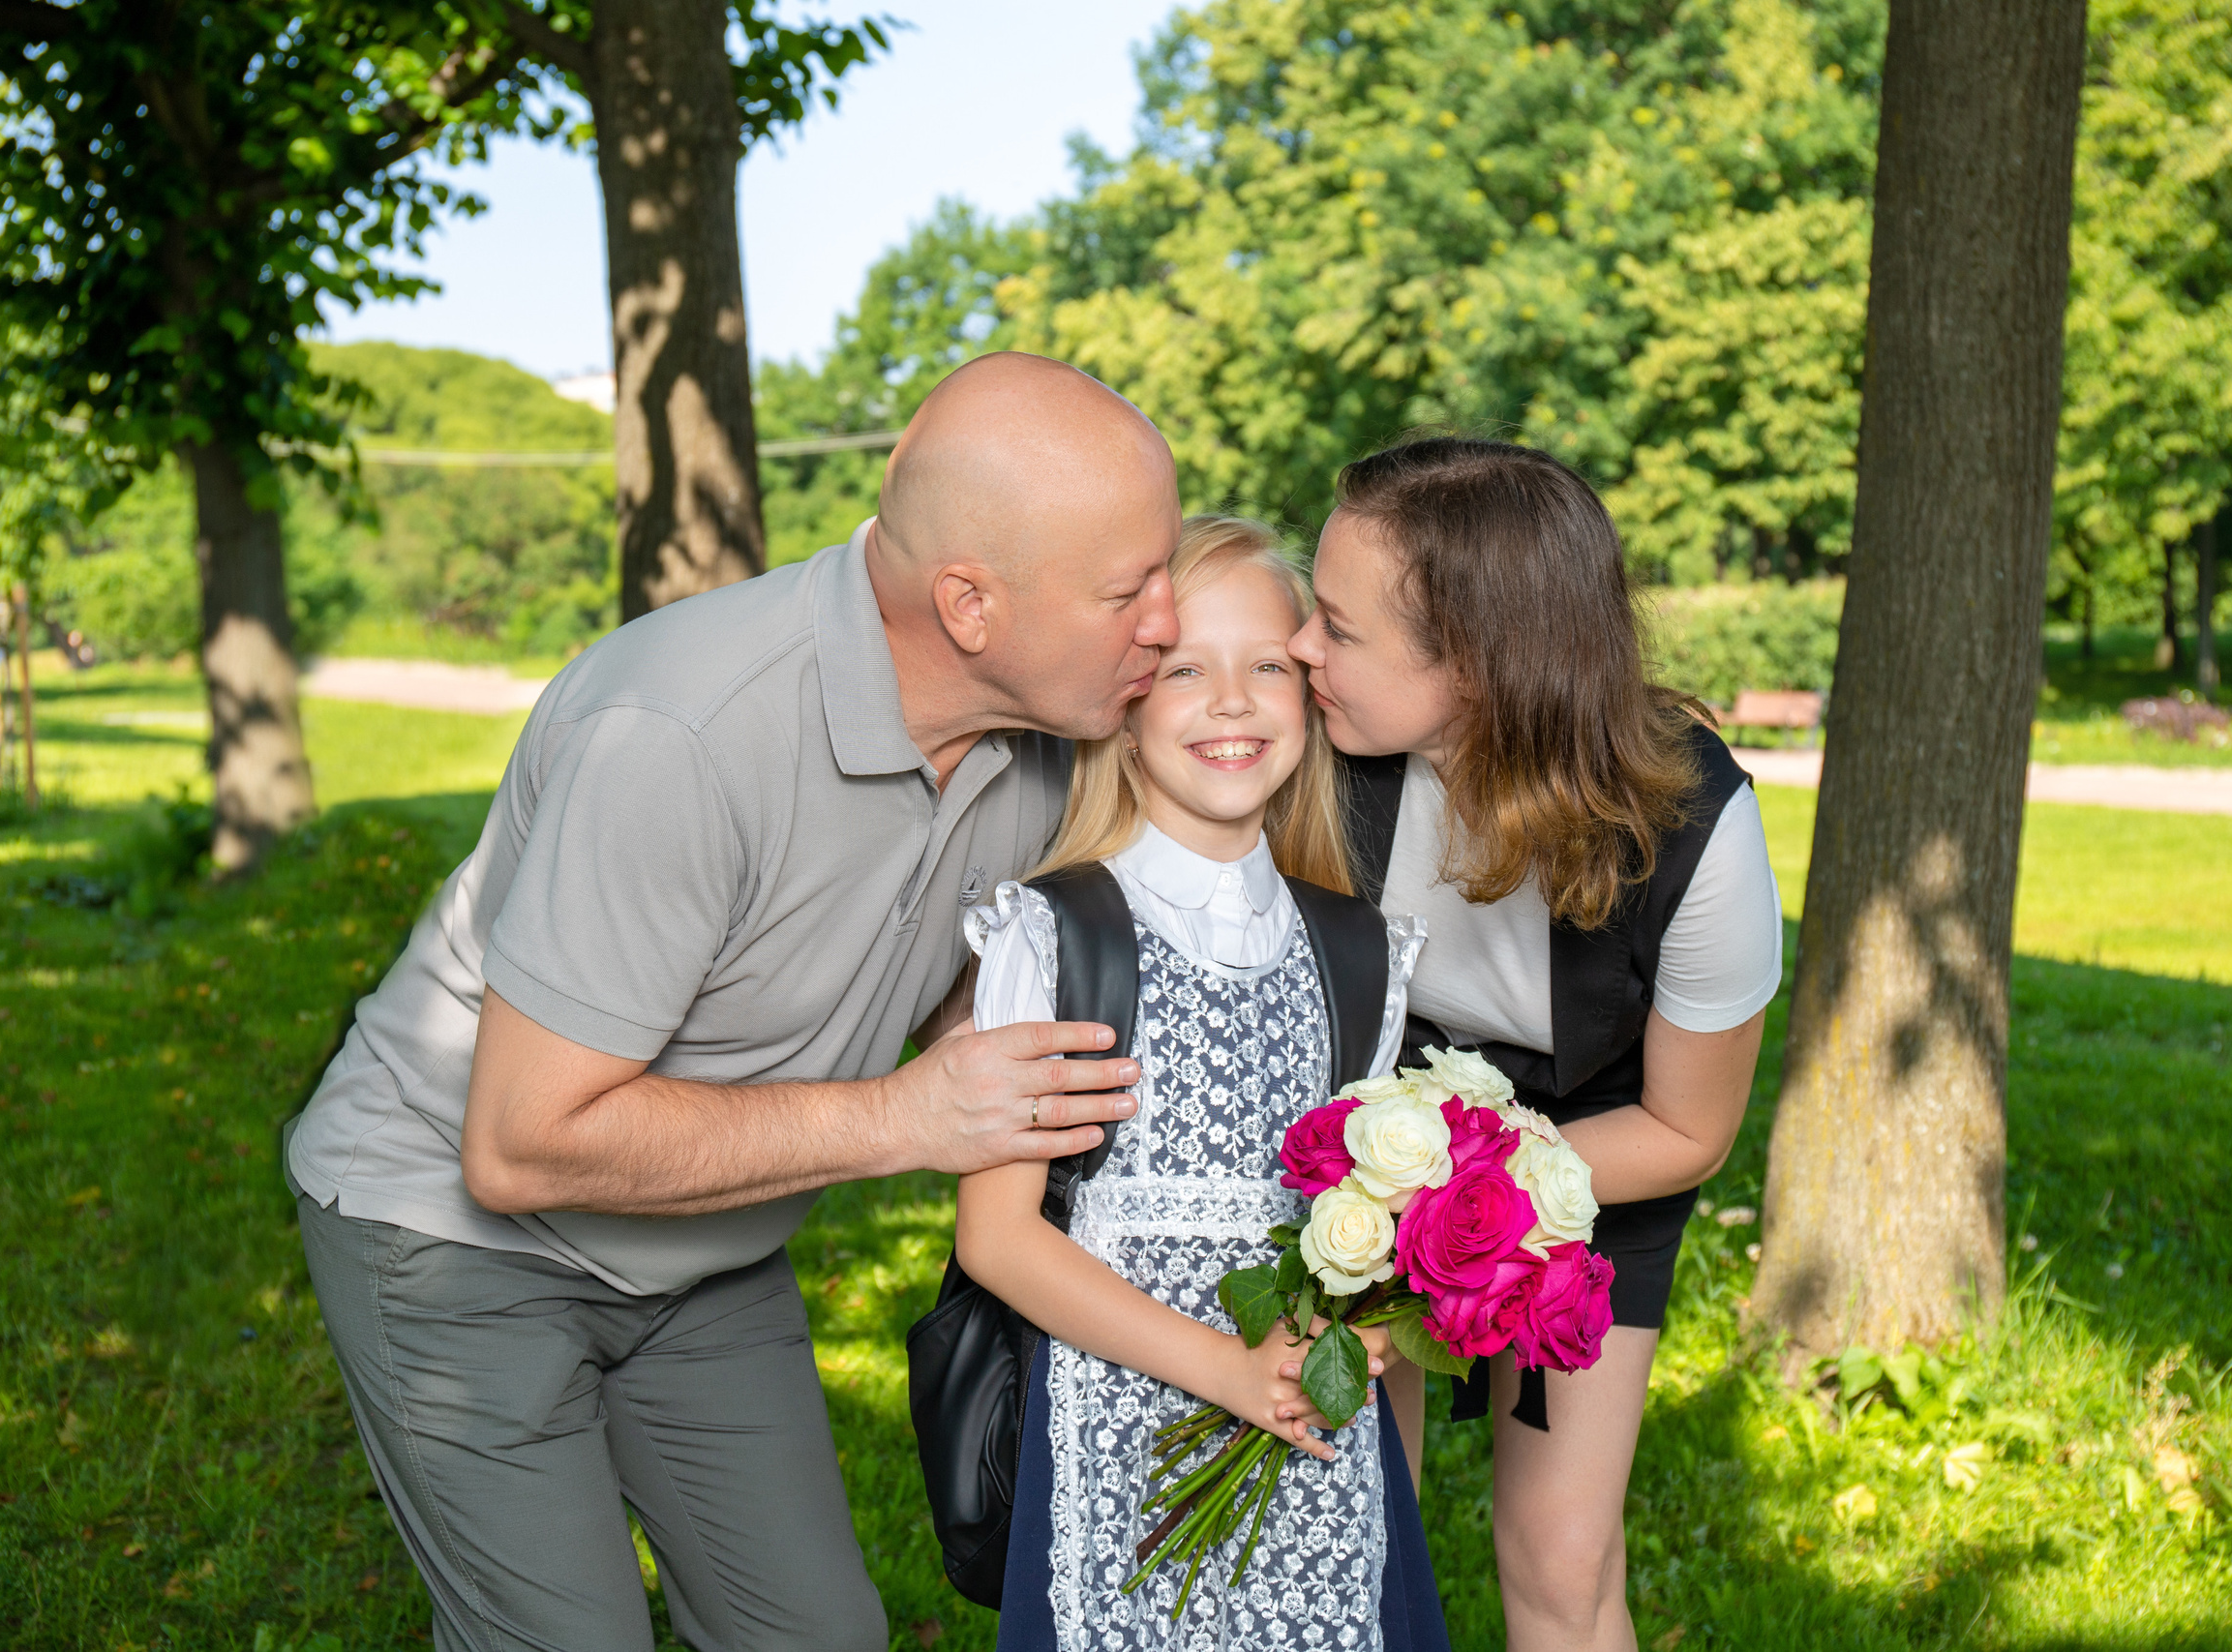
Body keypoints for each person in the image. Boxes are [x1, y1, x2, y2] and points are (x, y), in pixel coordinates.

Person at [283, 352, 1182, 1652]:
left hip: (702, 1247)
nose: (1165, 616)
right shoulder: (682, 731)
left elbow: (964, 988)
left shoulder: (1052, 734)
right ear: (970, 604)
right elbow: (521, 1141)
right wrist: (905, 1115)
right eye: (1128, 588)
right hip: (453, 1234)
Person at [1287, 439, 1779, 1652]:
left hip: (1604, 1152)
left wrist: (1465, 1200)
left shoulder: (1691, 828)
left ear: (1475, 666)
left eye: (1338, 631)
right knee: (1346, 1518)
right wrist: (1386, 1202)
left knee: (1560, 1561)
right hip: (1363, 1148)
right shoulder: (1322, 766)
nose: (1303, 650)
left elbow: (1688, 1130)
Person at [954, 517, 1450, 1651]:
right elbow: (998, 1236)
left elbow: (1358, 1228)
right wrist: (1223, 1370)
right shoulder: (1060, 932)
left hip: (1309, 1438)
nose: (1231, 701)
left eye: (1267, 665)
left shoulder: (1360, 952)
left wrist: (1362, 1328)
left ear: (1310, 697)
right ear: (1122, 709)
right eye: (1185, 669)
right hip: (1113, 1430)